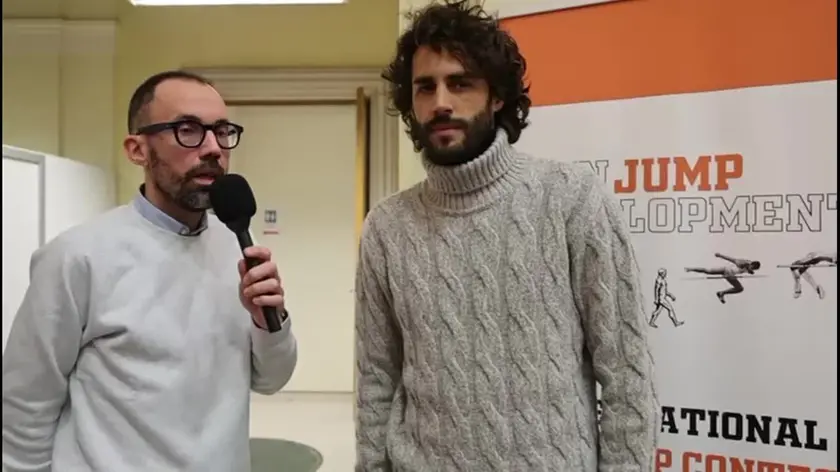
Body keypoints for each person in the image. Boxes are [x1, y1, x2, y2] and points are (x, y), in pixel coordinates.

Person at [353, 2, 658, 471]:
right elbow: (375, 383)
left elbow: (627, 378)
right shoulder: (386, 228)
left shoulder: (572, 199)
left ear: (496, 96)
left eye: (460, 83)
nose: (440, 102)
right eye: (425, 87)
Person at [2, 70, 297, 472]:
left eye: (222, 131)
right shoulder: (76, 257)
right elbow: (24, 406)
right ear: (137, 149)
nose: (213, 148)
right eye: (188, 130)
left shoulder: (236, 245)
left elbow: (272, 379)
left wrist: (269, 324)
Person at [685, 252, 761, 304]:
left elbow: (749, 270)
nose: (752, 270)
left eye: (753, 269)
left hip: (725, 270)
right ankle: (722, 293)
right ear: (751, 264)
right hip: (729, 272)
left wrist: (750, 272)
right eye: (752, 268)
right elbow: (732, 259)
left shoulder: (749, 268)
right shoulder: (742, 262)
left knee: (707, 271)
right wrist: (720, 255)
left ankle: (690, 269)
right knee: (740, 288)